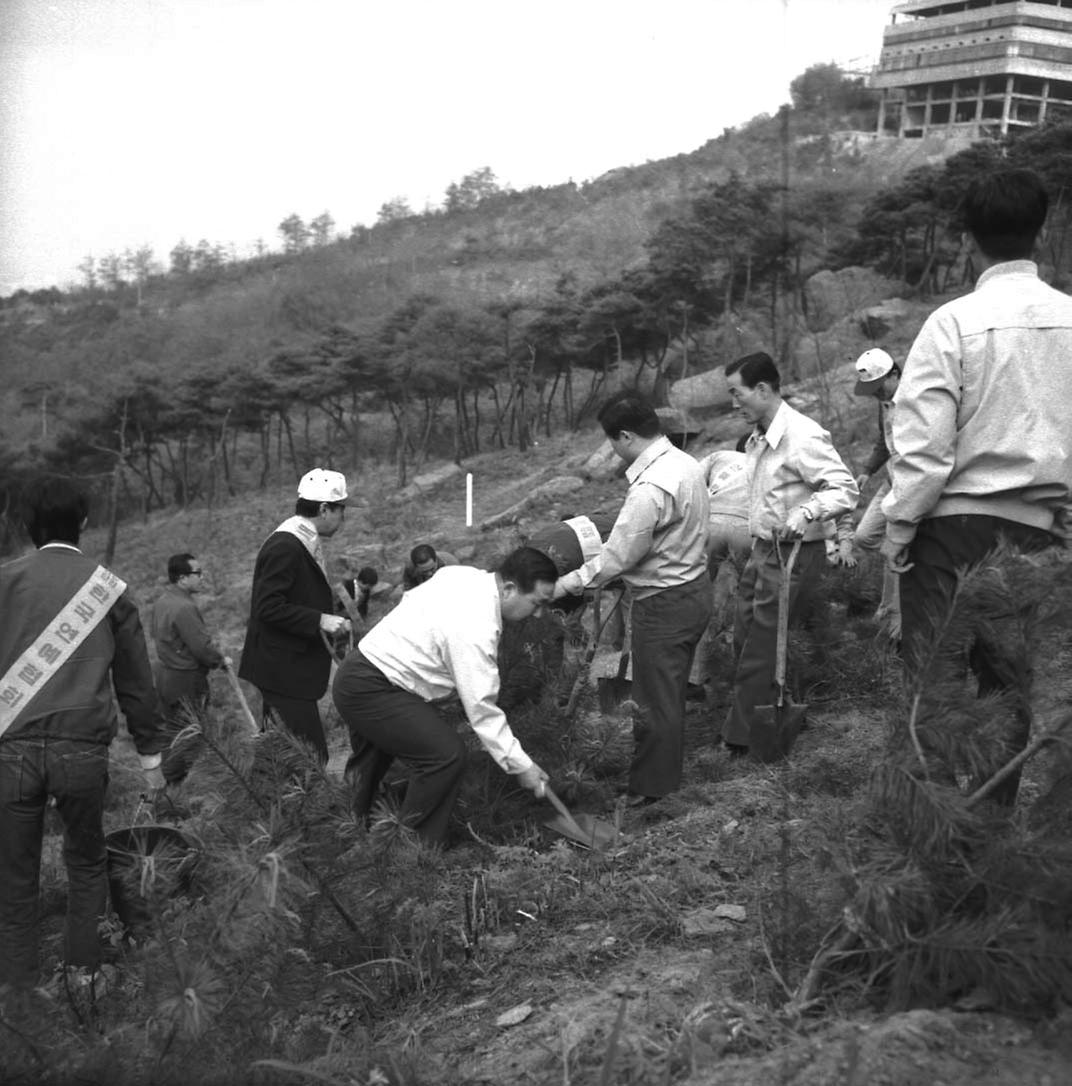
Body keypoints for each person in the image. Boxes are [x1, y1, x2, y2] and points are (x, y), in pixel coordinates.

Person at [881, 166, 1072, 805]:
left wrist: (899, 525)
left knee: (931, 681)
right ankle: (990, 827)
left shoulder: (951, 323)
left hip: (950, 531)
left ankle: (930, 830)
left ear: (968, 241)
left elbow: (923, 444)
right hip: (1032, 536)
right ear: (1040, 234)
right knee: (1007, 686)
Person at [0, 478, 166, 995]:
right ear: (86, 524)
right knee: (87, 862)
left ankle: (19, 998)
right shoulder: (108, 589)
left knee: (15, 876)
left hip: (12, 749)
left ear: (27, 528)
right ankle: (84, 979)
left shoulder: (4, 582)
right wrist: (151, 758)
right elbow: (137, 683)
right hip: (82, 751)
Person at [333, 547, 554, 845]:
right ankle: (412, 851)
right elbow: (482, 711)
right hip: (372, 686)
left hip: (362, 670)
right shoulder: (476, 626)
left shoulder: (464, 575)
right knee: (445, 756)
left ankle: (346, 837)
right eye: (536, 603)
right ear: (510, 588)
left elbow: (415, 602)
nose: (539, 613)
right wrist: (522, 766)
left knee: (371, 761)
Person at [553, 391, 712, 805]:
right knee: (669, 693)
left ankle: (653, 789)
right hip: (694, 589)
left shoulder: (649, 487)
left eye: (611, 441)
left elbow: (618, 555)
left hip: (664, 603)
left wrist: (569, 583)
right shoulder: (686, 463)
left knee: (654, 701)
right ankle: (661, 775)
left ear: (624, 437)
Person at [722, 351, 858, 755]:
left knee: (764, 643)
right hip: (763, 549)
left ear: (762, 389)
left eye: (737, 393)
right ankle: (774, 708)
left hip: (794, 554)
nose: (733, 404)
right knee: (745, 635)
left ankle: (744, 739)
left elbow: (844, 488)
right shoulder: (759, 436)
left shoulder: (803, 435)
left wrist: (808, 511)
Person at [238, 469, 354, 764]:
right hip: (282, 669)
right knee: (309, 757)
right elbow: (267, 607)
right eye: (341, 510)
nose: (344, 519)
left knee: (277, 755)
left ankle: (265, 807)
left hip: (286, 666)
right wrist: (320, 620)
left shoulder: (301, 538)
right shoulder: (286, 546)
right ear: (325, 509)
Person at [151, 553, 228, 784]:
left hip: (164, 676)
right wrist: (220, 660)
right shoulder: (184, 607)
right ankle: (171, 786)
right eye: (197, 573)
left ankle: (166, 785)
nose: (202, 577)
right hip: (185, 680)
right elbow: (201, 647)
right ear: (182, 578)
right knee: (191, 735)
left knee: (173, 733)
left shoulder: (163, 601)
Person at [850, 348, 901, 633]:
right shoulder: (884, 404)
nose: (876, 394)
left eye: (878, 387)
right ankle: (903, 559)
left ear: (894, 374)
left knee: (893, 551)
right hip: (890, 480)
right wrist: (866, 471)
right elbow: (884, 443)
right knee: (864, 536)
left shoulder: (916, 398)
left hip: (910, 485)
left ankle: (890, 616)